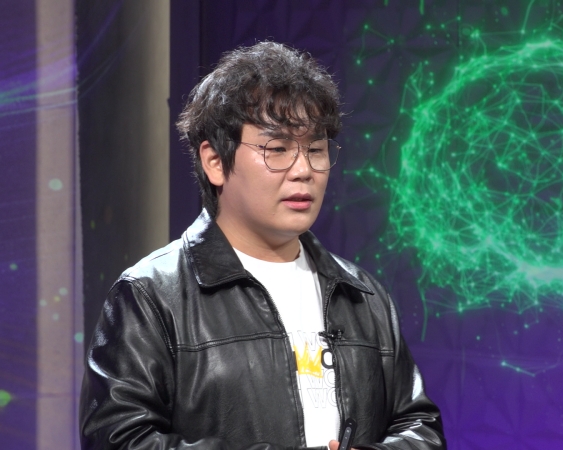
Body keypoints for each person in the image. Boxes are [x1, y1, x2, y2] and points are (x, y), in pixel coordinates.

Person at [79, 41, 445, 450]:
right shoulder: (150, 296)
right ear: (215, 161)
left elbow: (421, 429)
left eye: (316, 150)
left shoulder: (362, 295)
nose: (304, 170)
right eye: (278, 149)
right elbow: (118, 439)